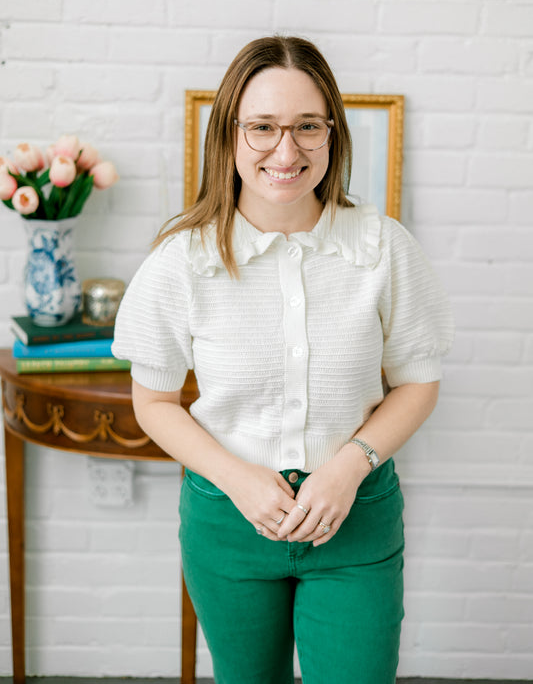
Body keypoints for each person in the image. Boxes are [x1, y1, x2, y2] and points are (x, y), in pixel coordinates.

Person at [112, 35, 454, 684]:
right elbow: (152, 401)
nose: (286, 150)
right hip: (227, 524)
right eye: (263, 127)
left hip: (355, 521)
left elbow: (417, 383)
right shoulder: (181, 260)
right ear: (230, 134)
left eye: (306, 127)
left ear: (332, 133)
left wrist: (348, 468)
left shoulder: (382, 247)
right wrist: (239, 479)